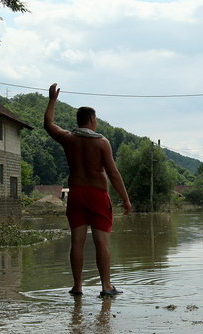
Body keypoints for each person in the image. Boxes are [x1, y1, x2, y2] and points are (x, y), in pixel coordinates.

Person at [44, 83, 133, 297]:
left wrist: (52, 100)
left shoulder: (68, 138)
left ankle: (77, 287)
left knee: (77, 242)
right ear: (92, 119)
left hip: (76, 194)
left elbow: (48, 124)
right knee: (101, 242)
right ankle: (106, 287)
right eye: (96, 119)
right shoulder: (102, 142)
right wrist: (126, 199)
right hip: (97, 195)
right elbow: (113, 173)